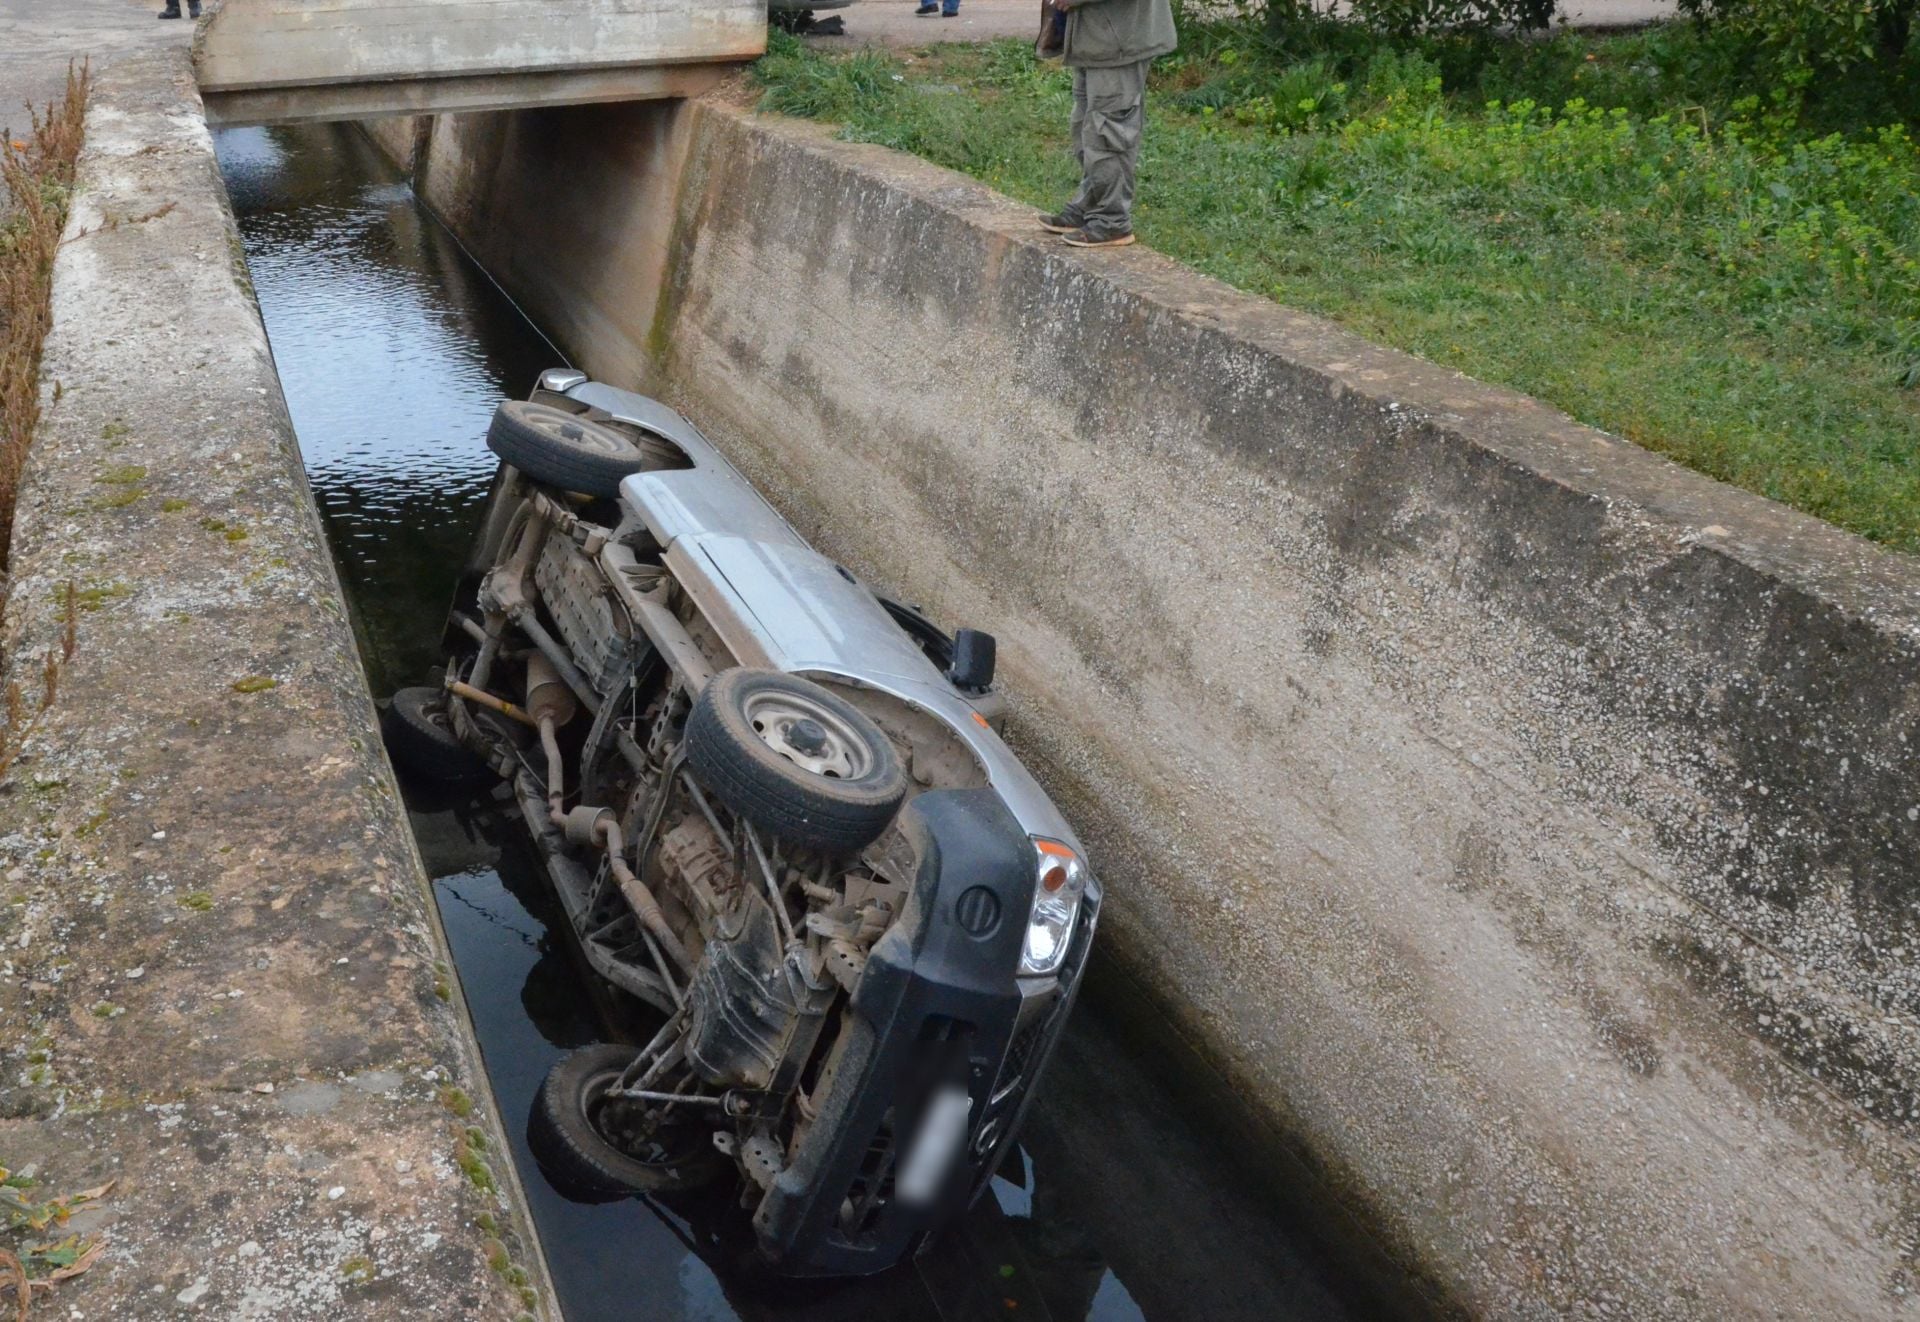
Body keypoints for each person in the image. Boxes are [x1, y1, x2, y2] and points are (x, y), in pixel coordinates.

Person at [1035, 0, 1174, 249]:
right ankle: (1091, 204)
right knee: (1085, 130)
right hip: (1095, 40)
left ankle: (1112, 220)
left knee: (1109, 134)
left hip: (1120, 42)